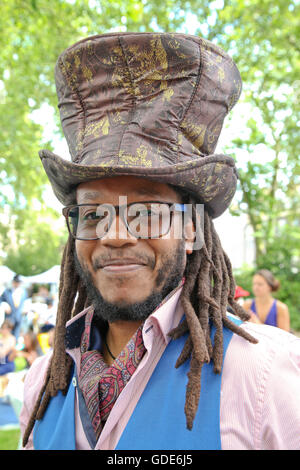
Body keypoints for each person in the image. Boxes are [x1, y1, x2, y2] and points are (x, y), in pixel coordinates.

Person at [20, 32, 300, 450]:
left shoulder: (264, 376)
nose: (115, 235)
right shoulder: (43, 381)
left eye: (147, 212)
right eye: (94, 213)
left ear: (191, 229)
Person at [0, 274, 28, 339]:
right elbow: (1, 300)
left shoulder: (23, 292)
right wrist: (4, 304)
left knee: (16, 336)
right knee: (8, 335)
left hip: (19, 317)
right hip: (9, 318)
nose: (17, 284)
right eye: (16, 282)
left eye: (18, 282)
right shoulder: (7, 292)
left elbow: (26, 302)